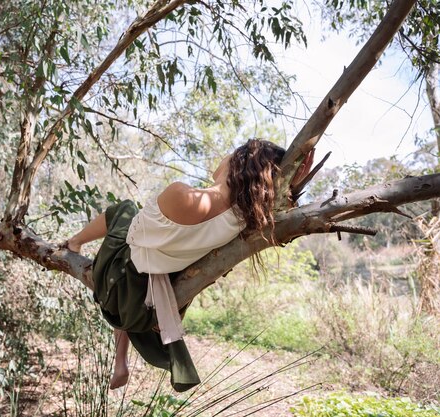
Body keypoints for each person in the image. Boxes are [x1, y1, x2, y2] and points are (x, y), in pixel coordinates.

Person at [63, 139, 314, 391]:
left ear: (239, 161)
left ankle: (73, 243)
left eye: (231, 151)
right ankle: (121, 361)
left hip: (120, 288)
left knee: (125, 210)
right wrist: (291, 182)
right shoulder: (242, 224)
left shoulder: (182, 195)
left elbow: (134, 238)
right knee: (149, 259)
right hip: (146, 305)